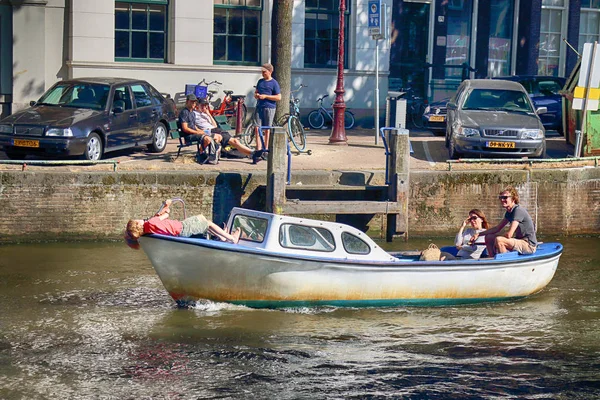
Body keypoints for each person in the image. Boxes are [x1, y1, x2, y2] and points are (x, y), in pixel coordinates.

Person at [126, 199, 241, 245]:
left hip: (181, 228)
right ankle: (231, 238)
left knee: (201, 218)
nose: (139, 219)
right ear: (138, 224)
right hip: (183, 228)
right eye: (137, 220)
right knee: (208, 223)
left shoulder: (148, 230)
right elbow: (165, 215)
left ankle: (222, 237)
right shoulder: (150, 223)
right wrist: (168, 204)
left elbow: (158, 218)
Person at [471, 186, 537, 257]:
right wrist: (478, 234)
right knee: (488, 237)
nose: (502, 200)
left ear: (513, 199)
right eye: (501, 198)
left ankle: (505, 262)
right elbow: (497, 228)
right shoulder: (509, 212)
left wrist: (498, 240)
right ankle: (492, 260)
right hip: (519, 241)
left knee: (499, 240)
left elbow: (509, 234)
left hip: (528, 245)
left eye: (505, 197)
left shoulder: (518, 210)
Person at [194, 99, 263, 164]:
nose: (204, 107)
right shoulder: (194, 114)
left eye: (205, 105)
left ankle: (252, 154)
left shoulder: (205, 114)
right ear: (198, 105)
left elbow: (214, 125)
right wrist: (204, 132)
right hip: (209, 131)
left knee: (235, 141)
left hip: (216, 129)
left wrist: (208, 114)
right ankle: (253, 154)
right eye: (202, 105)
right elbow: (194, 127)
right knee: (234, 142)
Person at [253, 63, 281, 157]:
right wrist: (256, 95)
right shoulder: (260, 81)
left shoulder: (274, 83)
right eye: (262, 72)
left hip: (269, 107)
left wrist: (266, 96)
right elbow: (256, 92)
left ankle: (266, 148)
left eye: (264, 72)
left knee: (267, 128)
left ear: (270, 71)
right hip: (259, 106)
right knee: (257, 127)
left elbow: (278, 97)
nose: (262, 74)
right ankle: (258, 148)